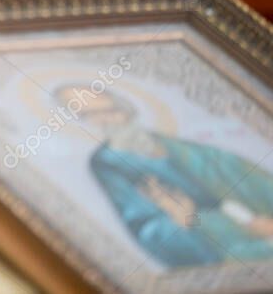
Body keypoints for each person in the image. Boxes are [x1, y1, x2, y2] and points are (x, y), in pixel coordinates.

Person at [56, 85, 273, 268]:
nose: (107, 120)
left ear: (126, 108)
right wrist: (188, 221)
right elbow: (149, 226)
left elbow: (243, 175)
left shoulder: (176, 146)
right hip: (220, 242)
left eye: (111, 110)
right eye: (90, 115)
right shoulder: (108, 163)